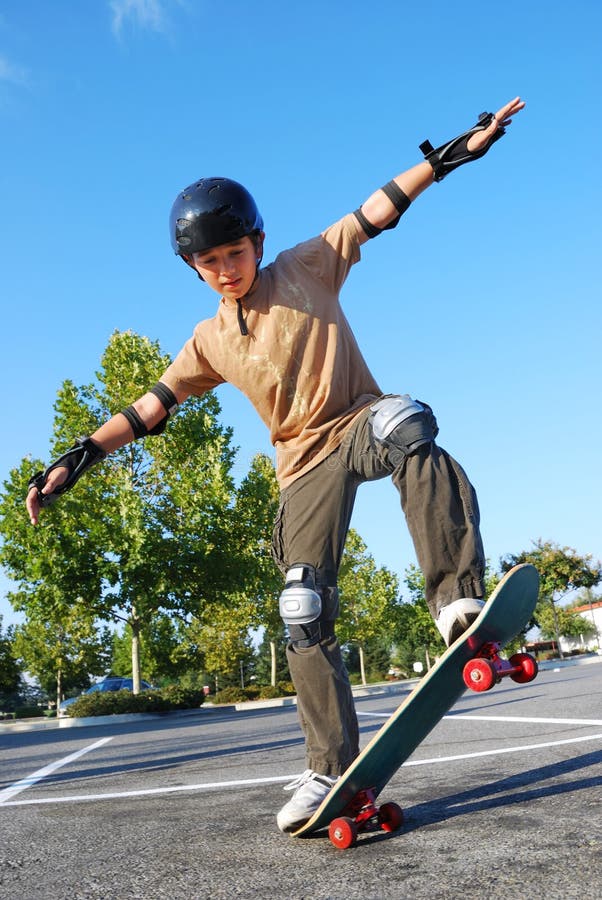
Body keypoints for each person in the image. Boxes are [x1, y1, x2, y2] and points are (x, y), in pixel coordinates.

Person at [26, 96, 525, 833]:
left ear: (258, 243)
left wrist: (450, 154)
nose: (227, 270)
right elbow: (150, 405)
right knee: (301, 607)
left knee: (409, 422)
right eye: (210, 263)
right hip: (302, 468)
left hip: (359, 423)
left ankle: (455, 600)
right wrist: (79, 457)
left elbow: (375, 210)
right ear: (193, 269)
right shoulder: (207, 341)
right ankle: (330, 765)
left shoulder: (306, 266)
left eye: (235, 254)